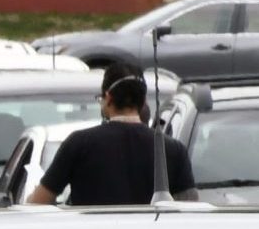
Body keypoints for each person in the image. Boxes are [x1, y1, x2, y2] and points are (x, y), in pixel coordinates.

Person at [29, 75, 196, 206]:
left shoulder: (78, 144)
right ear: (143, 101)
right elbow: (190, 210)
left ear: (108, 98)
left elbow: (38, 202)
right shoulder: (173, 149)